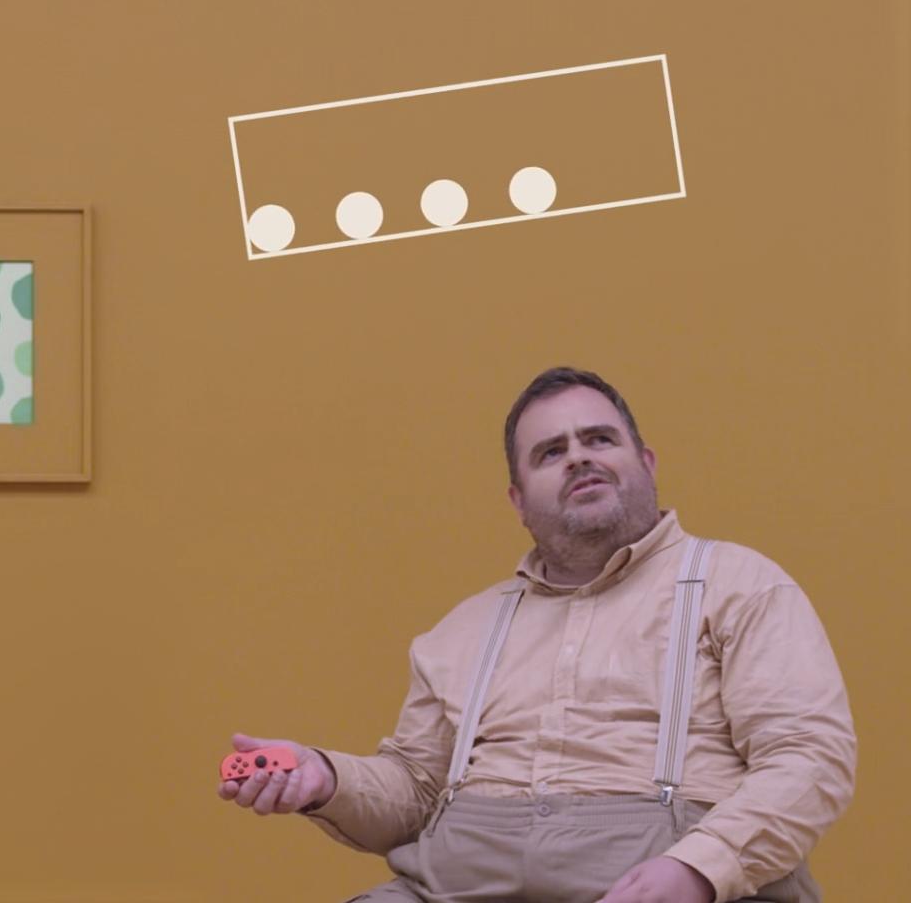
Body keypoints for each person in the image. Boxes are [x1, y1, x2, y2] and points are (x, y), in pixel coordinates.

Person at [220, 367, 855, 903]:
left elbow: (809, 757)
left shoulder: (740, 584)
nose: (578, 457)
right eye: (551, 452)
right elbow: (414, 793)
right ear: (518, 501)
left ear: (646, 463)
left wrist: (698, 868)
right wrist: (327, 779)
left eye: (599, 439)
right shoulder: (465, 629)